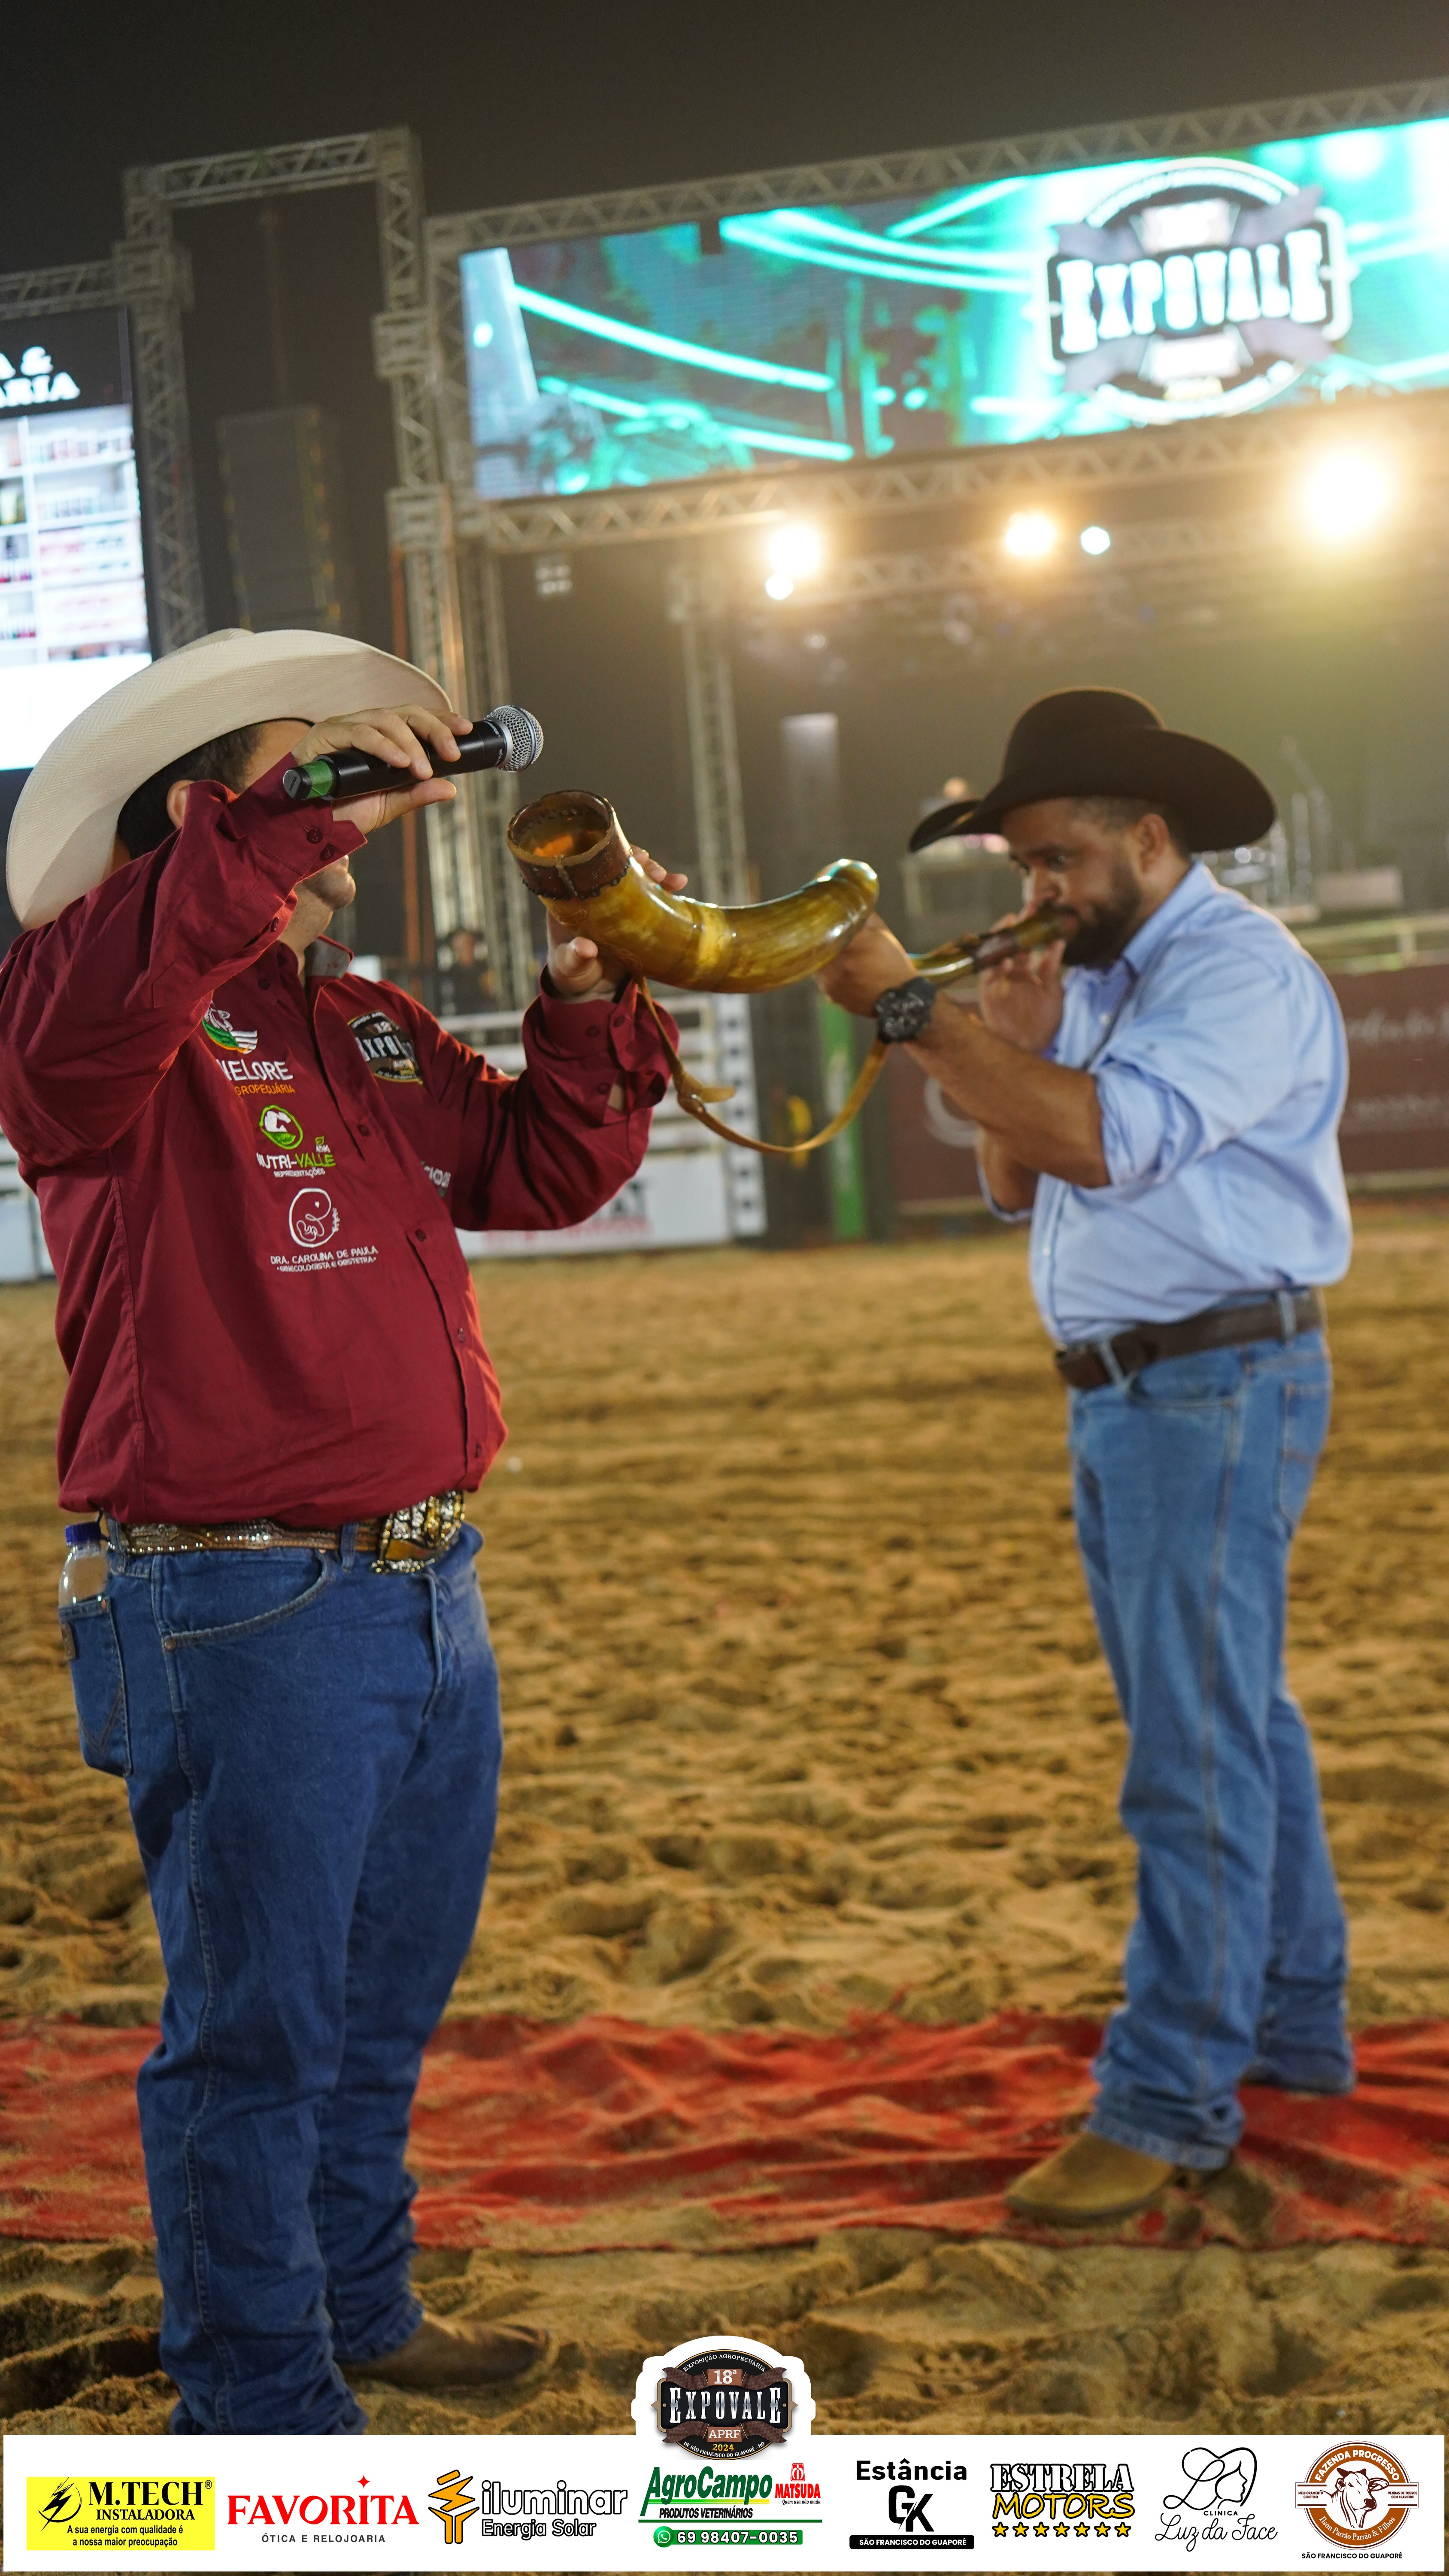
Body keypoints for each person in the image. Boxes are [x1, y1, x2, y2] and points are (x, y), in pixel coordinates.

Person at [0, 626, 681, 2429]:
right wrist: (305, 800)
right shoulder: (86, 1007)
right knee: (260, 2036)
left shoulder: (357, 1018)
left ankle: (354, 2308)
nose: (353, 835)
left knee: (371, 2011)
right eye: (308, 784)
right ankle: (261, 2410)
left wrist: (592, 999)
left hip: (419, 1583)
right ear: (202, 820)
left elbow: (537, 1168)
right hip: (240, 1601)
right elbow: (101, 1011)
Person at [819, 687, 1352, 2223]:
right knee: (1230, 1719)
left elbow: (1103, 1143)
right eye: (1024, 867)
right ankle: (1294, 2023)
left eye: (1056, 860)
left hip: (1210, 1384)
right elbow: (1019, 1169)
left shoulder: (1234, 970)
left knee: (1192, 1748)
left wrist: (917, 1014)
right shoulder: (1113, 973)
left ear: (1150, 836)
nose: (1037, 893)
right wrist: (1015, 1042)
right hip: (1150, 1389)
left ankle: (1171, 2097)